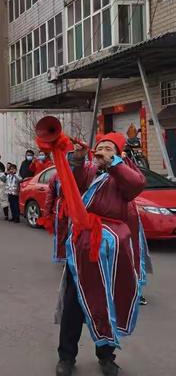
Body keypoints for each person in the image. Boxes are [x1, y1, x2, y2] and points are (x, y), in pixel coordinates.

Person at [55, 133, 146, 376]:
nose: (102, 151)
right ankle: (66, 357)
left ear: (119, 153)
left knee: (107, 300)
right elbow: (69, 185)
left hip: (112, 248)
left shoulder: (125, 172)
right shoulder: (88, 171)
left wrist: (113, 163)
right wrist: (77, 159)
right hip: (84, 245)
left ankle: (106, 357)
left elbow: (136, 185)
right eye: (100, 147)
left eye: (108, 148)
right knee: (75, 303)